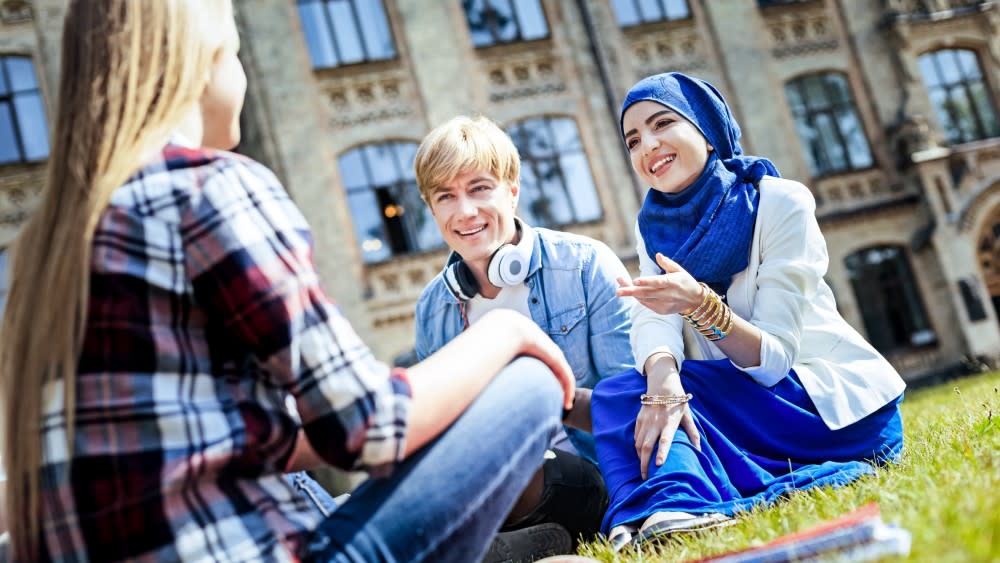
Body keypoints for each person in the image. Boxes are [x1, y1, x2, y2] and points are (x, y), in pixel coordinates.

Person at [0, 2, 577, 561]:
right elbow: (369, 427)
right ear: (201, 63)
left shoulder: (42, 247)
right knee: (526, 384)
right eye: (235, 51)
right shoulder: (210, 189)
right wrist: (503, 332)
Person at [592, 72, 907, 550]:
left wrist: (700, 304)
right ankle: (655, 511)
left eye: (662, 124)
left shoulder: (780, 202)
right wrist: (662, 376)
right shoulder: (653, 227)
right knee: (633, 392)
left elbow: (774, 360)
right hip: (756, 407)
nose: (647, 146)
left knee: (622, 395)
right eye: (633, 140)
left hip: (826, 406)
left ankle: (680, 501)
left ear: (706, 128)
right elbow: (653, 319)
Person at [412, 116, 634, 553]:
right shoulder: (433, 308)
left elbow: (630, 408)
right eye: (446, 196)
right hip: (481, 487)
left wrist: (536, 396)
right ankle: (510, 548)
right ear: (432, 209)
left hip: (589, 474)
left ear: (512, 191)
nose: (465, 211)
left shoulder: (585, 265)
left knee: (501, 465)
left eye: (479, 188)